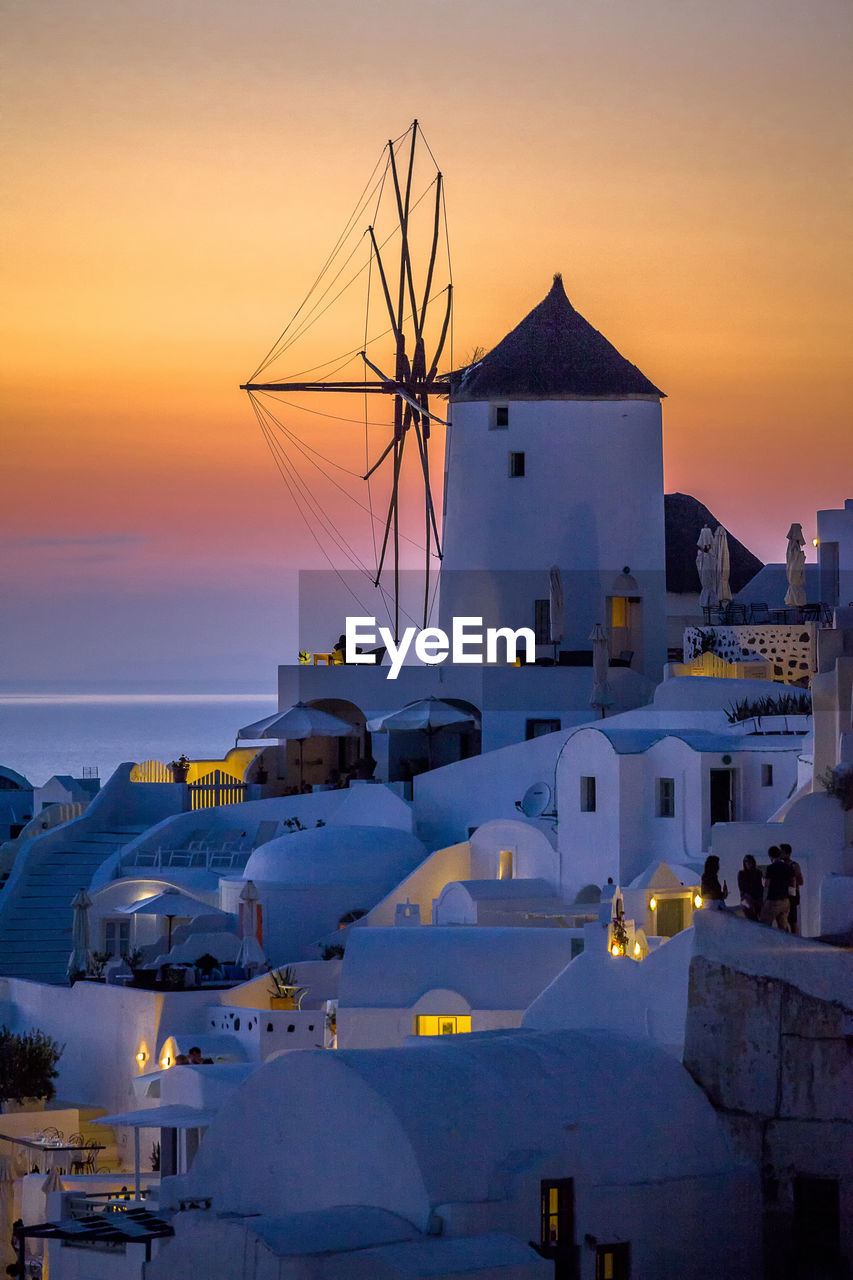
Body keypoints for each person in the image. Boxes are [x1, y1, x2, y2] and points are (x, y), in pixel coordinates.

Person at [760, 846, 794, 930]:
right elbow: (793, 881)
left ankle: (765, 943)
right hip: (785, 900)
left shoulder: (770, 868)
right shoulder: (788, 867)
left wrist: (762, 879)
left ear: (770, 856)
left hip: (773, 900)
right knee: (783, 927)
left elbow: (766, 884)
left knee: (764, 925)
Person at [780, 843, 803, 935]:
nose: (780, 854)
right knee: (782, 920)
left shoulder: (794, 865)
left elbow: (800, 881)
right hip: (782, 896)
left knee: (792, 920)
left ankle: (795, 940)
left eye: (782, 852)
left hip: (792, 896)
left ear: (787, 853)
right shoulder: (780, 865)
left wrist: (789, 881)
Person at [737, 854, 764, 921]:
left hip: (757, 898)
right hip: (747, 898)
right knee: (752, 918)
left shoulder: (758, 873)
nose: (748, 864)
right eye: (746, 862)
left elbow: (760, 887)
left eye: (749, 862)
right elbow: (741, 887)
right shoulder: (741, 873)